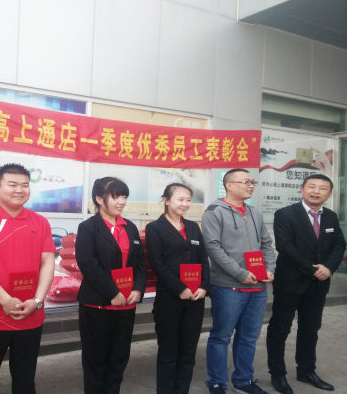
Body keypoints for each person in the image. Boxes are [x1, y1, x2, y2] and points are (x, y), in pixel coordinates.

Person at [0, 163, 56, 394]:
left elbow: (48, 263)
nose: (19, 190)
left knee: (25, 381)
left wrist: (37, 301)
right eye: (12, 184)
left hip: (30, 314)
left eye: (25, 185)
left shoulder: (40, 222)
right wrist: (5, 300)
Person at [266, 174, 345, 394]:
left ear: (329, 194)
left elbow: (339, 244)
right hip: (290, 282)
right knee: (280, 328)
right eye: (311, 186)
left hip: (318, 285)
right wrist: (313, 269)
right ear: (302, 189)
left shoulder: (330, 216)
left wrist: (328, 267)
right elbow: (285, 246)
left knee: (310, 329)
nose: (316, 191)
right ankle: (278, 374)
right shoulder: (285, 214)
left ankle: (306, 371)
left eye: (322, 188)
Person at [202, 168, 276, 394]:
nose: (251, 186)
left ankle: (244, 381)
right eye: (246, 182)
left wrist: (270, 268)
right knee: (221, 337)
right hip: (229, 287)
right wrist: (240, 273)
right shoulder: (214, 212)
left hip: (258, 287)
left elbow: (266, 244)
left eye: (252, 182)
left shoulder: (254, 213)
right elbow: (213, 247)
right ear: (229, 185)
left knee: (249, 338)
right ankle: (217, 382)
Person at [75, 177, 147, 394]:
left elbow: (140, 263)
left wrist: (138, 289)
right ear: (99, 199)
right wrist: (113, 292)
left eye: (124, 196)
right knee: (96, 361)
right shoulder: (88, 227)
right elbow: (88, 264)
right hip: (98, 305)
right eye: (115, 197)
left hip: (126, 305)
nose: (121, 202)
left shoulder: (130, 227)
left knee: (119, 359)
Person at [145, 183, 210, 394]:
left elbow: (203, 260)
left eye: (188, 200)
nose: (185, 204)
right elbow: (157, 264)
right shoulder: (155, 228)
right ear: (166, 201)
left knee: (188, 352)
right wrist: (180, 288)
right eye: (180, 199)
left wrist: (204, 287)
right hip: (170, 299)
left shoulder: (193, 227)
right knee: (168, 352)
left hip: (195, 299)